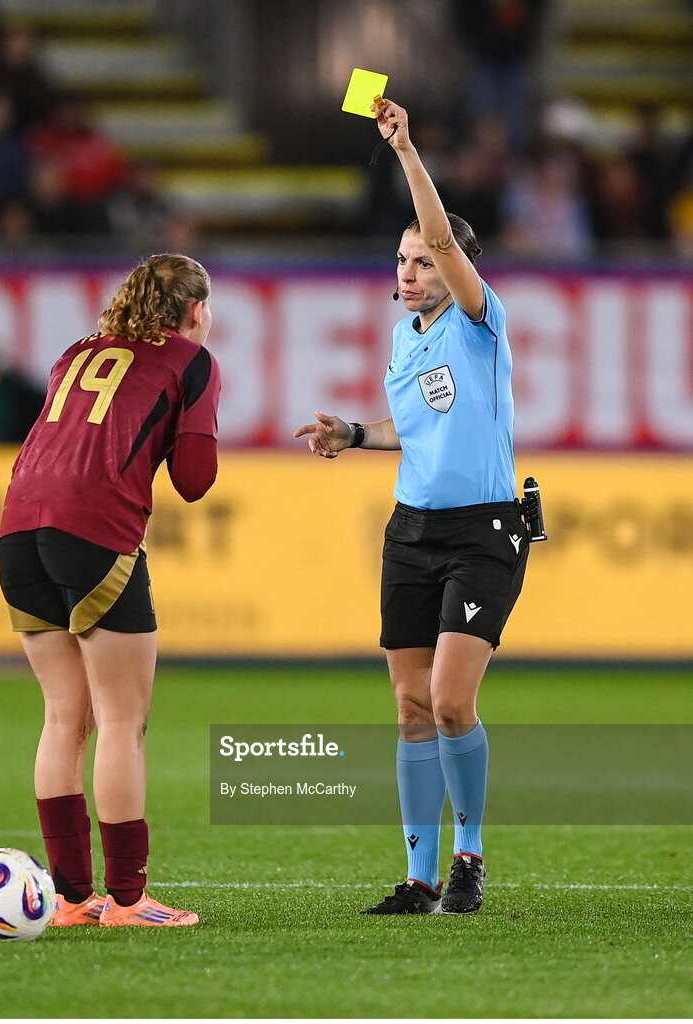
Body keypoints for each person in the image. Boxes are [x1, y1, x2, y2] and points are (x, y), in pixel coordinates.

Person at [295, 100, 528, 915]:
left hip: (485, 532)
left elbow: (438, 233)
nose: (409, 270)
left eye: (422, 261)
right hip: (413, 533)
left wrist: (404, 149)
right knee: (409, 706)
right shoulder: (407, 339)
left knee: (454, 700)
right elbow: (418, 429)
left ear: (456, 265)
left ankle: (468, 856)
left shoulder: (479, 321)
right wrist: (356, 434)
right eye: (401, 261)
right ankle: (420, 878)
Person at [0, 253, 220, 927]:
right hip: (94, 530)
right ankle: (127, 900)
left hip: (16, 528)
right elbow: (195, 478)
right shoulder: (190, 360)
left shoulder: (76, 352)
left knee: (65, 718)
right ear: (195, 311)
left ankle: (69, 900)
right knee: (123, 720)